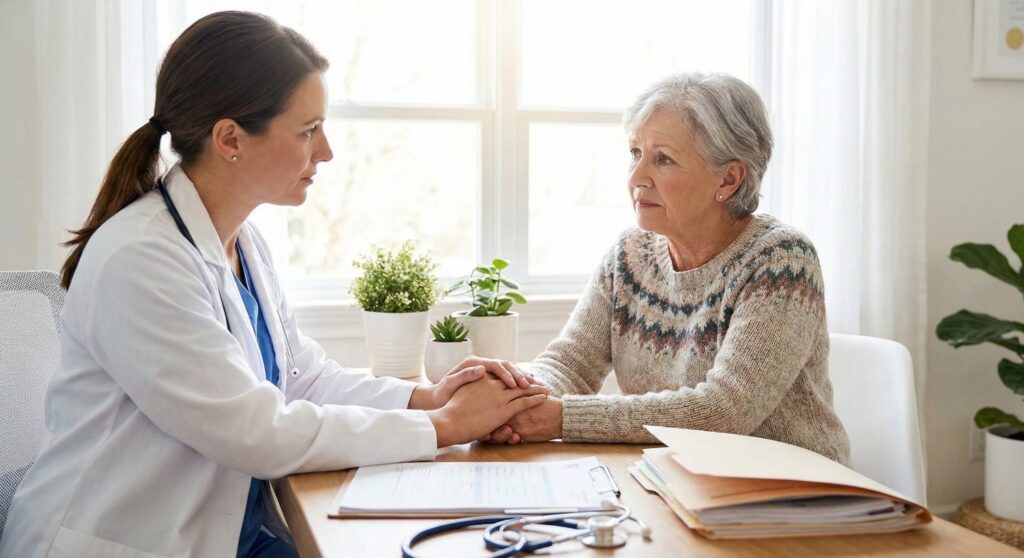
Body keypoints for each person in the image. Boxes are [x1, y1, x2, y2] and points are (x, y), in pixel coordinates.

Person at [0, 11, 546, 558]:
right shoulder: (141, 259)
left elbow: (301, 378)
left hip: (229, 536)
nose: (326, 151)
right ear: (230, 139)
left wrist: (424, 397)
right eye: (308, 130)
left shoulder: (242, 242)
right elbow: (256, 432)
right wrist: (444, 425)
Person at [485, 72, 850, 465]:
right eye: (635, 153)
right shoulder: (630, 255)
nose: (636, 178)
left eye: (663, 159)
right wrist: (516, 399)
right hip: (676, 477)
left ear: (729, 179)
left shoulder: (782, 261)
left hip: (792, 484)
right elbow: (569, 363)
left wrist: (559, 418)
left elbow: (725, 410)